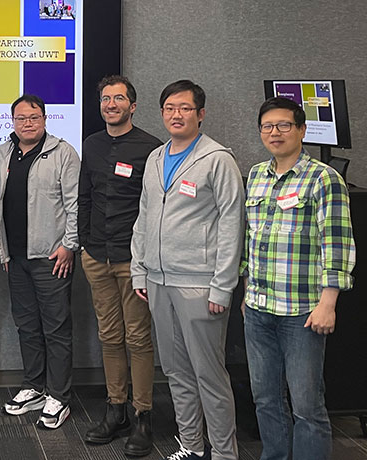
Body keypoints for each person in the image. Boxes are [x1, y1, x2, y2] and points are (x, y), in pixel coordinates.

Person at [130, 80, 243, 460]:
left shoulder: (217, 159)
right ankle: (192, 447)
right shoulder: (156, 158)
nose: (176, 115)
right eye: (169, 108)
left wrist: (223, 287)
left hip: (200, 285)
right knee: (177, 374)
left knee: (209, 376)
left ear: (200, 113)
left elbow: (232, 224)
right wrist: (139, 270)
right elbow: (144, 217)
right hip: (159, 281)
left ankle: (225, 454)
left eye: (184, 108)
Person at [242, 97, 355, 460]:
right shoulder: (257, 175)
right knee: (266, 399)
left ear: (302, 130)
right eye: (267, 127)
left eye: (284, 125)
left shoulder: (324, 178)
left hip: (302, 312)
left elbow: (336, 244)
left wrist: (328, 303)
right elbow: (250, 239)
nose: (275, 133)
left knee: (307, 405)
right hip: (259, 308)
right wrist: (247, 291)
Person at [79, 75, 161, 456]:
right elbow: (84, 198)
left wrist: (144, 255)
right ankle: (116, 411)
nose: (111, 104)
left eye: (118, 99)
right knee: (109, 337)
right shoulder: (92, 145)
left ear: (132, 105)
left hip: (133, 261)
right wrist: (84, 245)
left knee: (138, 339)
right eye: (105, 98)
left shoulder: (151, 149)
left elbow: (156, 208)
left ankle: (143, 414)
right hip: (97, 256)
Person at [0, 94, 80, 429]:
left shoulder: (62, 153)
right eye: (21, 118)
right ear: (13, 121)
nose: (27, 123)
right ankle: (34, 387)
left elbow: (74, 204)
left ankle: (59, 396)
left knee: (56, 328)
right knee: (27, 326)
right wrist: (1, 247)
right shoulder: (2, 153)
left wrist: (69, 246)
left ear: (44, 118)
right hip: (17, 258)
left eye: (34, 117)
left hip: (51, 257)